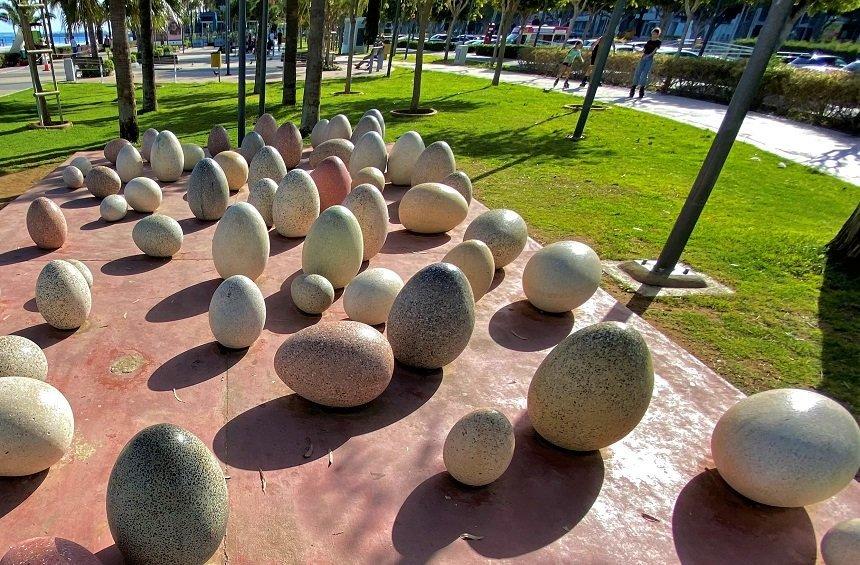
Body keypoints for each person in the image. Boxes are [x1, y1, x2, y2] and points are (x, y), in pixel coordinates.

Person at [630, 27, 661, 99]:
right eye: (652, 33)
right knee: (638, 73)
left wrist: (648, 56)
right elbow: (643, 50)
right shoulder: (649, 41)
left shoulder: (658, 42)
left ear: (657, 34)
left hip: (649, 59)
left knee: (644, 74)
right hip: (643, 58)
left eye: (655, 34)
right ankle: (633, 89)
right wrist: (635, 49)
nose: (653, 35)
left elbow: (654, 52)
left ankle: (641, 91)